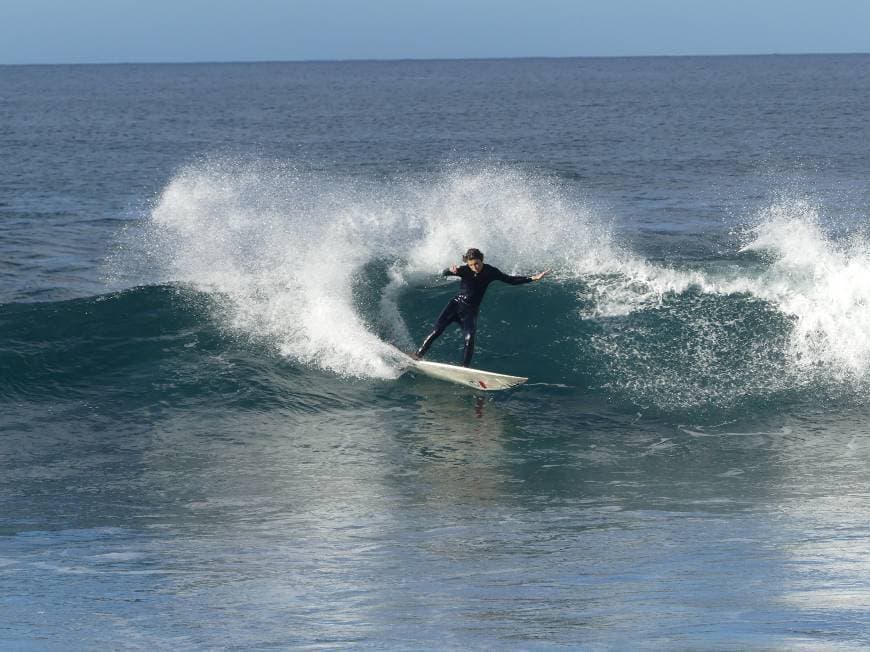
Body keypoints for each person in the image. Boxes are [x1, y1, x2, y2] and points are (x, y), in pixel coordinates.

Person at [414, 248, 550, 367]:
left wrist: (532, 278)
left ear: (482, 260)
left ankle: (464, 369)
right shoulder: (464, 270)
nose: (475, 267)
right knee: (437, 330)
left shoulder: (491, 271)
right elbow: (444, 273)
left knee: (469, 338)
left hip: (470, 311)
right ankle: (418, 355)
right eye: (472, 265)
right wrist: (449, 270)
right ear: (468, 263)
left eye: (477, 263)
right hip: (455, 305)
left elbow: (510, 280)